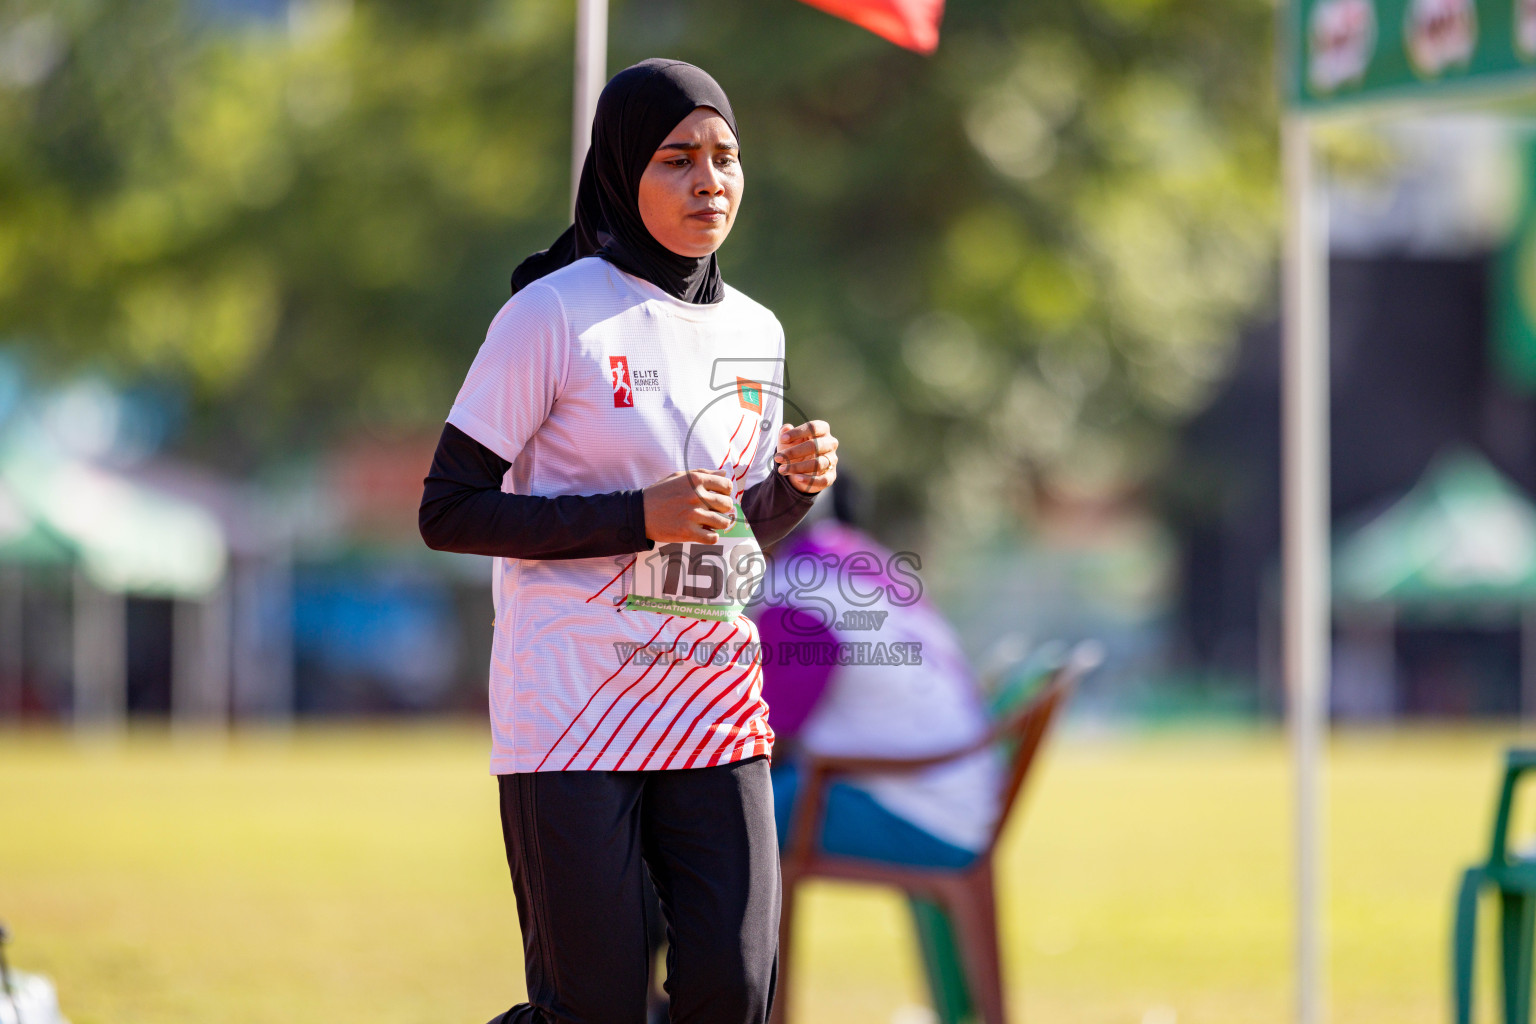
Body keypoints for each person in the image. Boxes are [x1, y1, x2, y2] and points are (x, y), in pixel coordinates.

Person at [417, 59, 839, 1024]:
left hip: (714, 703)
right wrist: (632, 514)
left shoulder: (757, 330)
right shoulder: (551, 313)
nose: (710, 182)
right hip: (571, 709)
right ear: (619, 169)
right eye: (677, 158)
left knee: (730, 994)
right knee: (596, 1010)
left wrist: (789, 492)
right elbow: (450, 510)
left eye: (727, 158)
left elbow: (720, 541)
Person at [755, 473, 1002, 869]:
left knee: (718, 816)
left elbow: (767, 740)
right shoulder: (855, 559)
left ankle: (656, 932)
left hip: (920, 814)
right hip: (952, 800)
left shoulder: (795, 595)